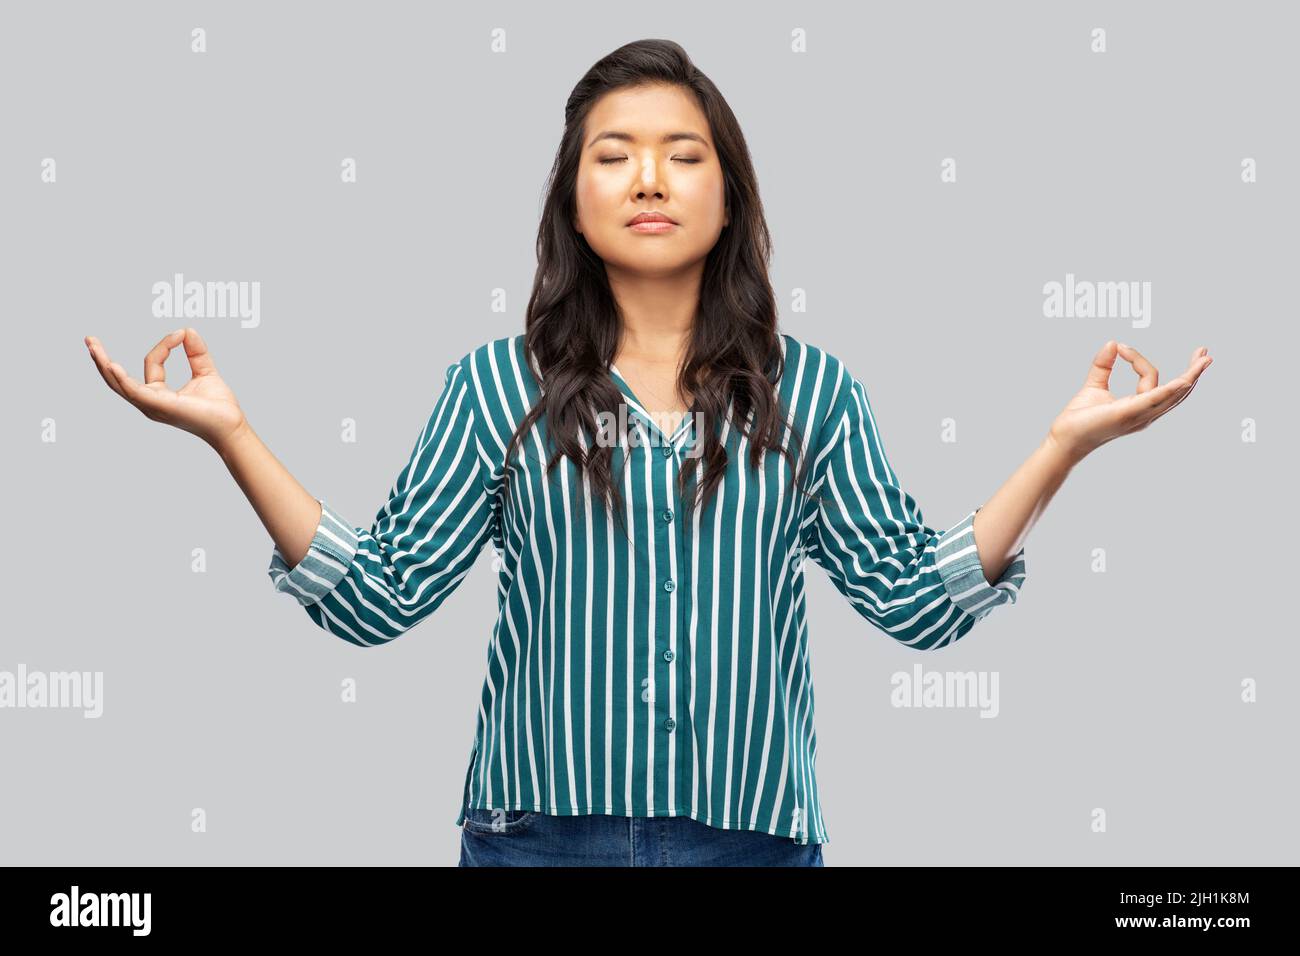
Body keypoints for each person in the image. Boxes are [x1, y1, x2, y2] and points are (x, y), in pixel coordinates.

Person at [84, 39, 1212, 867]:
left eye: (683, 155)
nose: (649, 179)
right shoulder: (495, 388)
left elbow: (917, 600)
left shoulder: (809, 393)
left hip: (750, 841)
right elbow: (376, 597)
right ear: (574, 203)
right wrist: (230, 431)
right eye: (613, 155)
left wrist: (1063, 447)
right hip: (535, 839)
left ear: (728, 201)